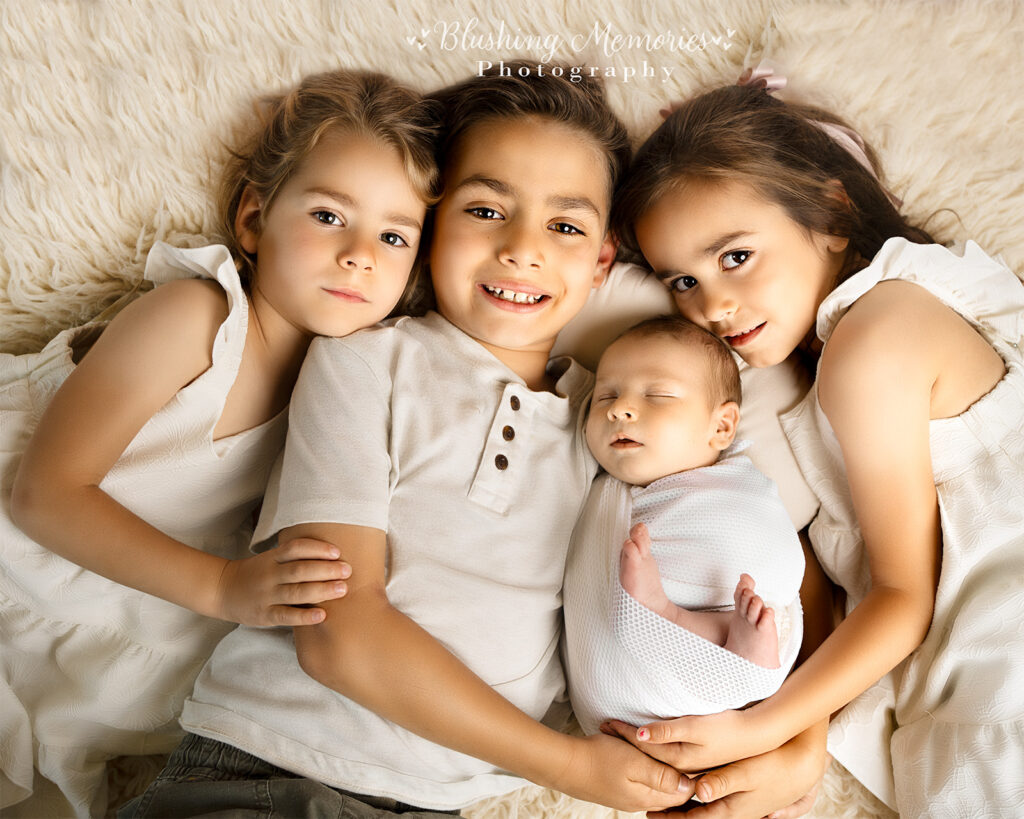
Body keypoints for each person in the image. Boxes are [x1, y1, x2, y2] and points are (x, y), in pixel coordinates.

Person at [120, 62, 695, 818]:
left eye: (564, 225)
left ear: (601, 262)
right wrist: (567, 765)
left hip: (439, 801)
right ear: (429, 231)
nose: (523, 249)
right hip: (275, 764)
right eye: (487, 210)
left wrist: (789, 747)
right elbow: (339, 634)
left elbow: (741, 526)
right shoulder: (367, 361)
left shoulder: (612, 414)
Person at [0, 69, 438, 817]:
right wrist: (222, 588)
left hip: (92, 648)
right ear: (252, 219)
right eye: (330, 215)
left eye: (393, 235)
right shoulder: (199, 318)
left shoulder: (356, 393)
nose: (361, 253)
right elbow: (44, 496)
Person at [605, 66, 1024, 818]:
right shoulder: (861, 335)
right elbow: (845, 581)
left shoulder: (872, 345)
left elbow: (901, 597)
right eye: (681, 281)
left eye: (734, 256)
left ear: (833, 213)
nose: (714, 306)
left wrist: (765, 727)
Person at [564, 315, 805, 737]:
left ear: (721, 426)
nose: (620, 408)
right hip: (613, 703)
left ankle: (674, 618)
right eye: (605, 397)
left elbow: (771, 555)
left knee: (751, 611)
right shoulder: (598, 484)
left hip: (717, 668)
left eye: (657, 395)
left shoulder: (730, 489)